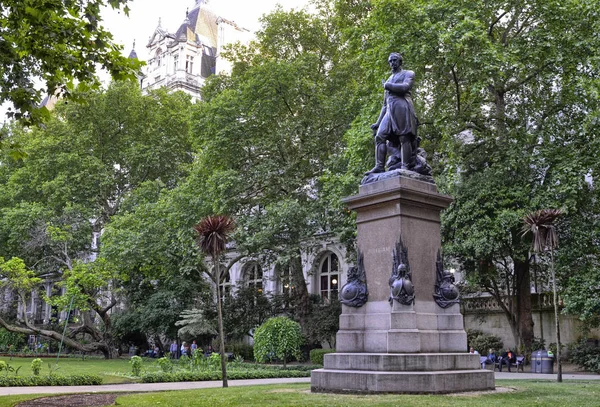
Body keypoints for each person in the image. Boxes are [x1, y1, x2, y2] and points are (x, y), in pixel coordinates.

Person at [366, 52, 419, 175]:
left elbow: (405, 87)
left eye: (394, 60)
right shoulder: (389, 79)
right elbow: (385, 104)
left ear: (400, 61)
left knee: (404, 137)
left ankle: (405, 166)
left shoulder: (408, 73)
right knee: (380, 136)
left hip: (402, 107)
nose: (392, 63)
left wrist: (388, 86)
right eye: (390, 61)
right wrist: (378, 122)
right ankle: (379, 166)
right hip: (390, 110)